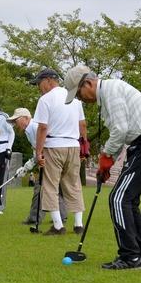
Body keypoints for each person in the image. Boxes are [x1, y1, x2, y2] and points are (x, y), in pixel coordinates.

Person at [64, 64, 141, 270]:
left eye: (79, 93)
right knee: (128, 199)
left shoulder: (111, 90)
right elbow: (121, 134)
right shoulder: (109, 94)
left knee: (119, 198)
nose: (80, 99)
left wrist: (106, 155)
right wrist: (108, 161)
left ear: (88, 83)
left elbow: (121, 130)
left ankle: (130, 257)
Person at [32, 68, 87, 235]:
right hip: (73, 146)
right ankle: (78, 224)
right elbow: (82, 125)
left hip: (54, 145)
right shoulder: (74, 99)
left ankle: (58, 226)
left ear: (48, 80)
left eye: (39, 83)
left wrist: (38, 152)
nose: (38, 87)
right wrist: (84, 148)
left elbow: (42, 128)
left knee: (50, 185)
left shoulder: (46, 99)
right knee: (74, 184)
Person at [6, 107, 68, 226]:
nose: (15, 124)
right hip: (48, 158)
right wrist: (26, 167)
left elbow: (45, 145)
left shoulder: (34, 127)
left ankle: (35, 217)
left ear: (26, 118)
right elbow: (37, 150)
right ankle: (62, 215)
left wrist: (29, 165)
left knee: (39, 188)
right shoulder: (29, 131)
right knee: (53, 188)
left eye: (16, 120)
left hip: (50, 158)